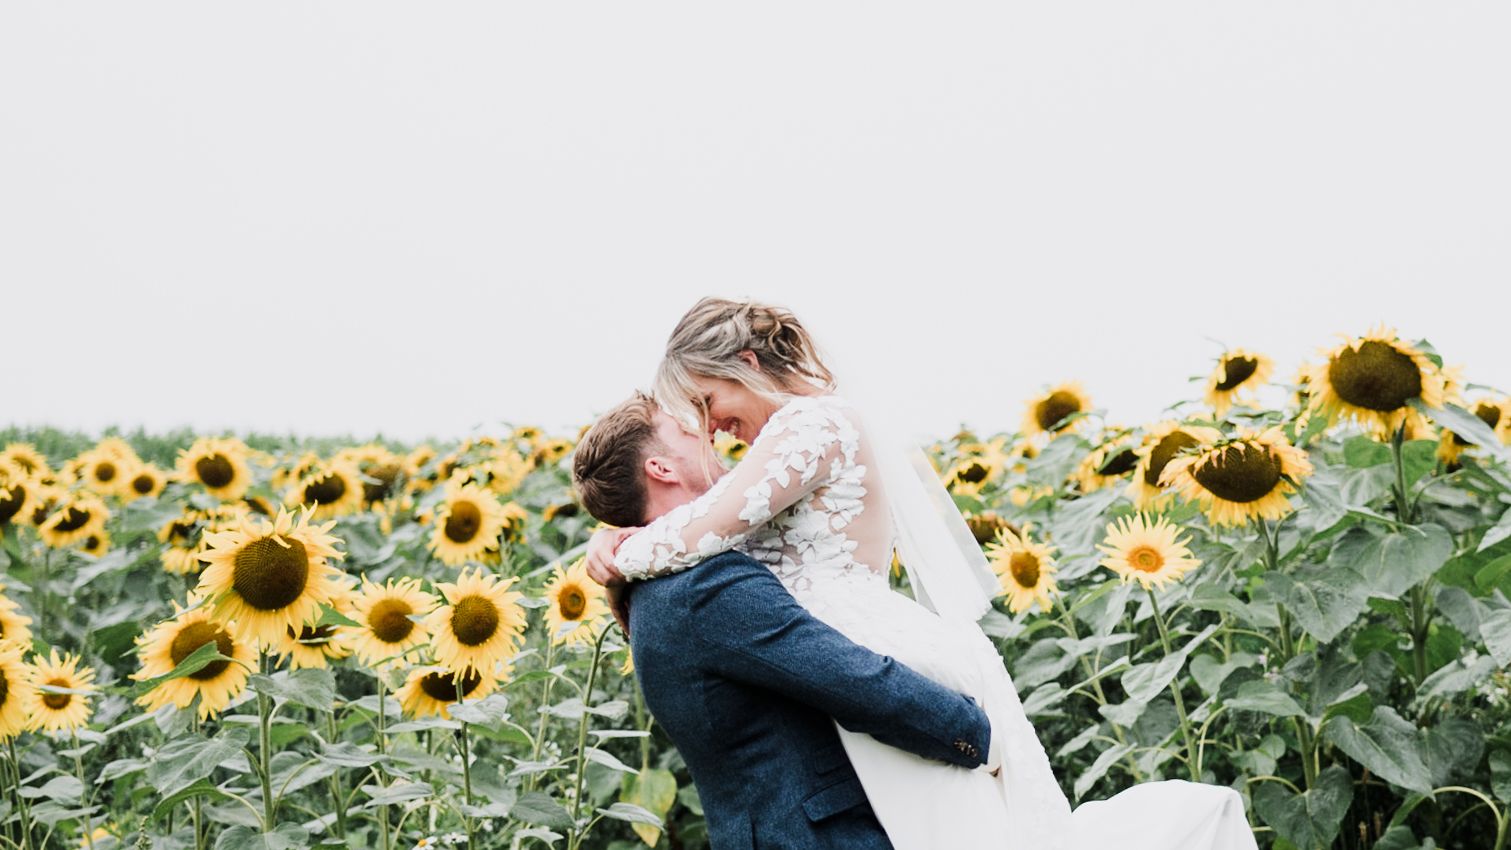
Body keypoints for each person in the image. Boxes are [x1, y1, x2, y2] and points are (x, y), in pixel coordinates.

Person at [577, 296, 1260, 850]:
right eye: (691, 421)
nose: (711, 429)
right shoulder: (697, 574)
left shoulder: (809, 426)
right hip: (851, 679)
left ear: (748, 363)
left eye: (704, 401)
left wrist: (615, 553)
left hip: (873, 651)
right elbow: (711, 534)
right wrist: (623, 547)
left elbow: (714, 522)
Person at [573, 392, 1016, 849]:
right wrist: (978, 737)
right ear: (660, 469)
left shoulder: (651, 585)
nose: (706, 432)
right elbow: (854, 680)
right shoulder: (705, 586)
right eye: (685, 430)